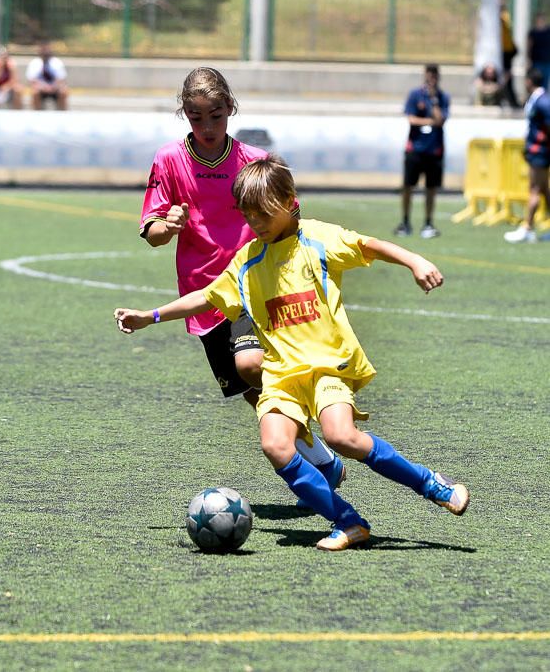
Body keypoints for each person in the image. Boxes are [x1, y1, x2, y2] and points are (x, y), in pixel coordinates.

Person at [115, 155, 470, 552]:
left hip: (326, 368)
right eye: (249, 216)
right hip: (283, 376)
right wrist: (151, 316)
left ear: (289, 201)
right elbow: (206, 296)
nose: (257, 223)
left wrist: (414, 261)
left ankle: (431, 485)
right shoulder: (248, 261)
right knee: (276, 445)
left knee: (342, 436)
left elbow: (368, 245)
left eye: (264, 213)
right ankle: (348, 522)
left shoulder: (318, 240)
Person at [139, 67, 345, 504]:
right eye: (196, 118)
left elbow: (291, 219)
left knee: (252, 364)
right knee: (249, 389)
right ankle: (320, 455)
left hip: (256, 284)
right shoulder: (169, 160)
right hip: (203, 292)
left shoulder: (256, 161)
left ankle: (317, 421)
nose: (207, 127)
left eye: (215, 115)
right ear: (184, 115)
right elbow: (152, 229)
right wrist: (167, 225)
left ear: (230, 109)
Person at [394, 64, 450, 239]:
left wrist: (434, 102)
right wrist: (430, 121)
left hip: (434, 150)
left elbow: (441, 120)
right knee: (408, 187)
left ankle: (428, 222)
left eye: (434, 76)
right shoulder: (415, 95)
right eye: (429, 76)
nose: (431, 79)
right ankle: (405, 221)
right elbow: (411, 119)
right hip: (415, 149)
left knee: (431, 189)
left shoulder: (442, 97)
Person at [504, 68, 550, 244]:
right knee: (544, 190)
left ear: (530, 81)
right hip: (537, 150)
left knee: (534, 190)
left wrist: (540, 143)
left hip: (540, 151)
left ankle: (527, 228)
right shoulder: (537, 99)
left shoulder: (543, 101)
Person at [25, 41, 68, 110]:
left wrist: (53, 87)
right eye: (43, 51)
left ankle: (62, 114)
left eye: (47, 51)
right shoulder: (34, 63)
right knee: (34, 92)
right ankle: (36, 114)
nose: (45, 53)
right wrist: (43, 86)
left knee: (63, 92)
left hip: (55, 89)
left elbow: (61, 79)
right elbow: (32, 80)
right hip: (40, 89)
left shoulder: (57, 62)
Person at [500, 4, 521, 108]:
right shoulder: (504, 17)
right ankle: (509, 100)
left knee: (507, 78)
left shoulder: (504, 17)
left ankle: (512, 101)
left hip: (506, 52)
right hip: (504, 52)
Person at [527, 15, 550, 91]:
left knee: (545, 82)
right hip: (536, 60)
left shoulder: (548, 31)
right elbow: (529, 46)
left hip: (547, 61)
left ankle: (544, 100)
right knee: (536, 81)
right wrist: (528, 59)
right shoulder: (533, 32)